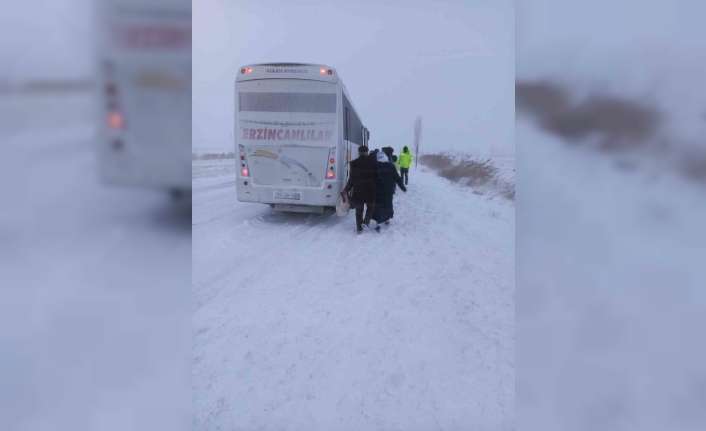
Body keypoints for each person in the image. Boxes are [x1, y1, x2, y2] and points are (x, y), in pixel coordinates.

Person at [342, 145, 378, 233]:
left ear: (359, 152)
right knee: (370, 208)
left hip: (358, 191)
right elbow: (377, 177)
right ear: (367, 152)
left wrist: (346, 189)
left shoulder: (353, 163)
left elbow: (351, 179)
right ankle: (366, 222)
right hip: (370, 191)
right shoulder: (374, 163)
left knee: (359, 210)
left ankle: (359, 228)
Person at [371, 150, 406, 229]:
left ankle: (378, 222)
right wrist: (402, 187)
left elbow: (370, 179)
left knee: (378, 206)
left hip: (377, 191)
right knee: (388, 205)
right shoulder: (391, 166)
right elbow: (397, 178)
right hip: (388, 191)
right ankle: (387, 219)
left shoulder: (375, 166)